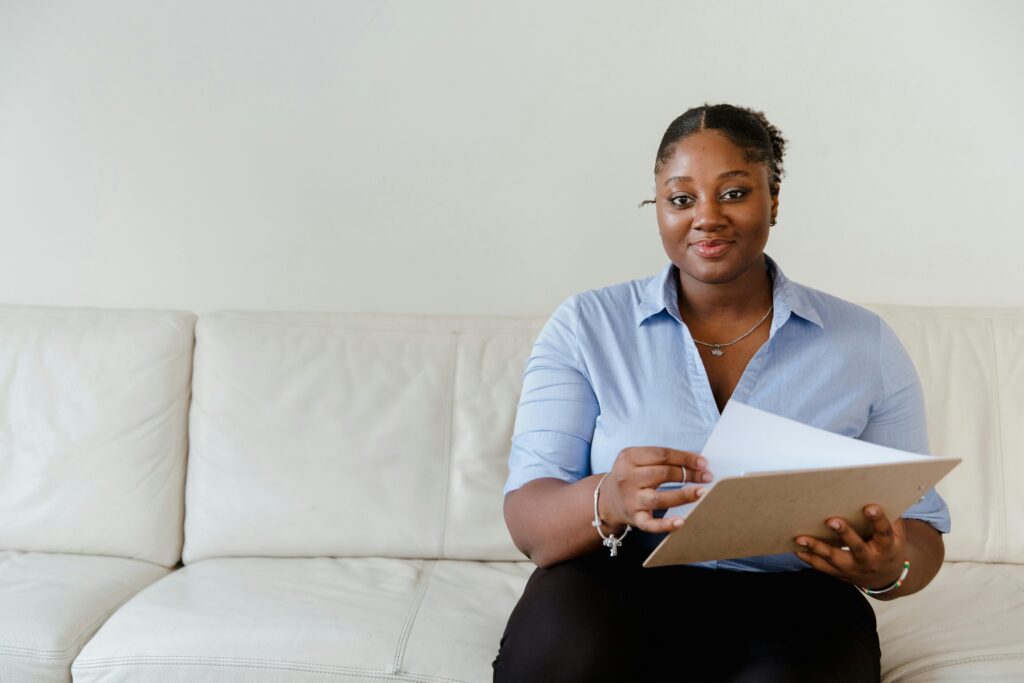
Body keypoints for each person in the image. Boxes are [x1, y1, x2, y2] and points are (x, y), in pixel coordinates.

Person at [491, 103, 951, 682]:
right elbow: (529, 523)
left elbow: (922, 535)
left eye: (733, 193)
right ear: (658, 208)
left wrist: (888, 567)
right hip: (614, 581)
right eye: (681, 199)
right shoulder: (587, 326)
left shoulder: (864, 344)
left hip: (795, 594)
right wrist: (607, 498)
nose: (706, 217)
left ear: (774, 199)